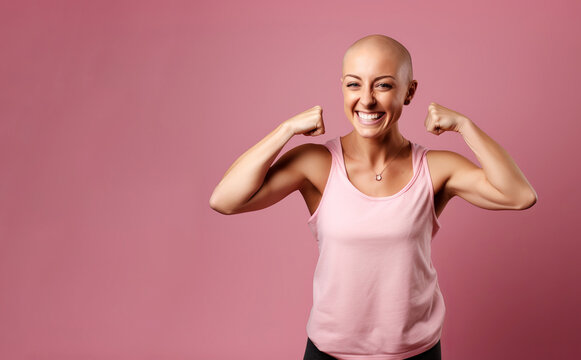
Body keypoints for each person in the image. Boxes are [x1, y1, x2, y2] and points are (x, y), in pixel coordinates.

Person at [209, 34, 537, 360]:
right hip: (328, 353)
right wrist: (286, 130)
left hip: (416, 354)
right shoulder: (316, 163)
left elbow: (519, 195)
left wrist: (466, 126)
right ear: (342, 88)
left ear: (409, 92)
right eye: (354, 85)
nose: (366, 100)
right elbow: (225, 200)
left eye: (383, 85)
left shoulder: (435, 168)